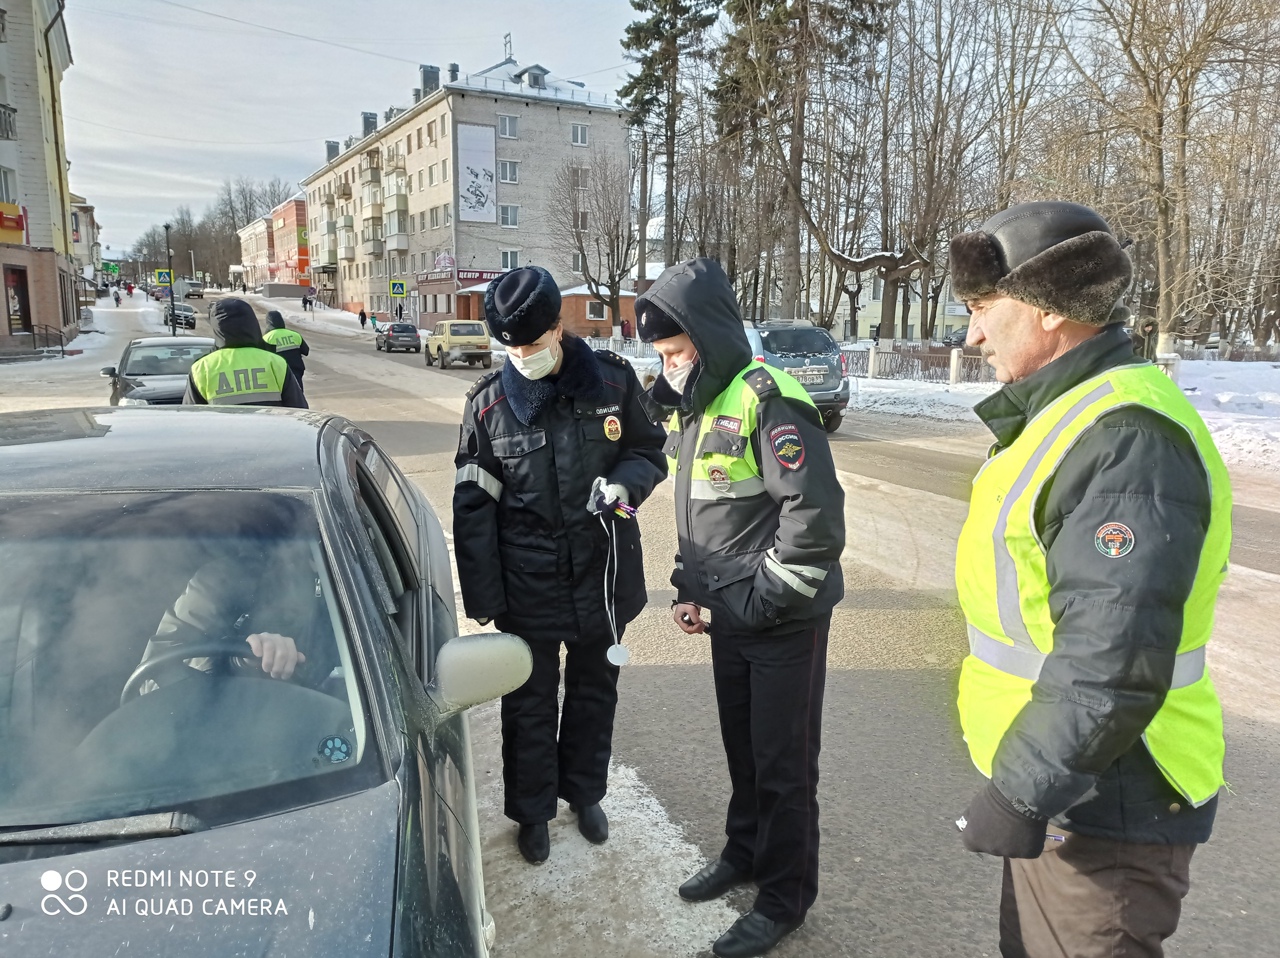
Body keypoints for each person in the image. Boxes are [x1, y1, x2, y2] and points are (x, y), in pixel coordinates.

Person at [947, 201, 1231, 958]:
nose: (971, 334)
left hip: (1107, 796)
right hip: (1072, 782)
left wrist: (1020, 791)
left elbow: (1110, 656)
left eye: (981, 308)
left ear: (1044, 310)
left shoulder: (1124, 436)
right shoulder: (1070, 414)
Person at [635, 258, 845, 958]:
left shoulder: (768, 398)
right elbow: (705, 516)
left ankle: (784, 897)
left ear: (709, 337)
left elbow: (812, 520)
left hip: (781, 620)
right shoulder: (701, 407)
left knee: (785, 767)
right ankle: (744, 853)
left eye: (675, 353)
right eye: (661, 357)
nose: (668, 368)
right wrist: (688, 589)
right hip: (730, 616)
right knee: (745, 752)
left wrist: (762, 601)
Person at [452, 266, 667, 865]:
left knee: (597, 691)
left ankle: (584, 794)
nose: (524, 355)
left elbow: (649, 450)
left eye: (534, 341)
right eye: (511, 346)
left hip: (603, 574)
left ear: (557, 326)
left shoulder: (613, 381)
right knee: (529, 702)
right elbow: (472, 507)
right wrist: (486, 600)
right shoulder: (488, 406)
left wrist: (624, 486)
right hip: (529, 582)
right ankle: (532, 811)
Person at [133, 539, 336, 696]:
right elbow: (154, 678)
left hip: (311, 720)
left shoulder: (348, 579)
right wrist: (242, 662)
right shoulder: (225, 578)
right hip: (210, 724)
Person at [184, 298, 307, 408]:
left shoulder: (201, 369)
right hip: (271, 432)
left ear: (217, 327)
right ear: (252, 323)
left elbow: (193, 421)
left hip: (222, 433)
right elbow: (299, 411)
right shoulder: (275, 362)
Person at [262, 309, 311, 391]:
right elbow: (306, 351)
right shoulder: (295, 335)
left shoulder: (266, 338)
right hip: (296, 373)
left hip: (277, 375)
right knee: (297, 397)